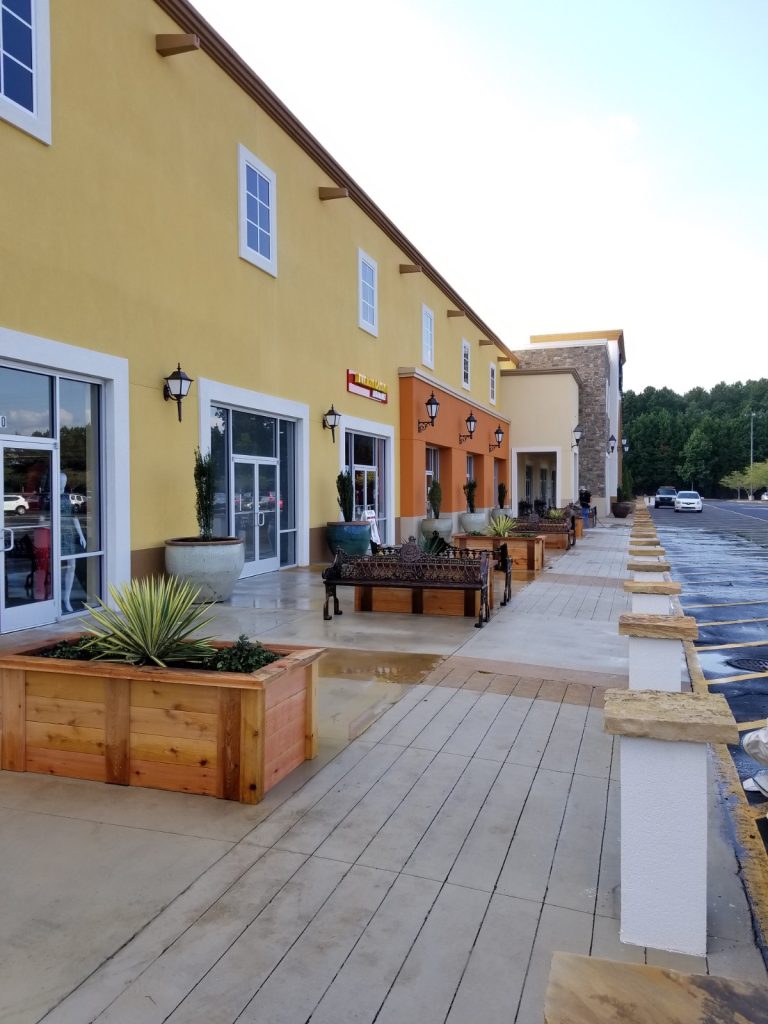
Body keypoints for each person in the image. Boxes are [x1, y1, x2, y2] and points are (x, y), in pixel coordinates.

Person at [60, 472, 85, 612]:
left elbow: (74, 517)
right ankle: (53, 599)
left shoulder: (67, 497)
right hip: (55, 536)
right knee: (54, 568)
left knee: (71, 566)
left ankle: (66, 598)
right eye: (60, 481)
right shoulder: (49, 497)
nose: (62, 483)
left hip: (68, 536)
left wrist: (81, 535)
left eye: (64, 481)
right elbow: (43, 519)